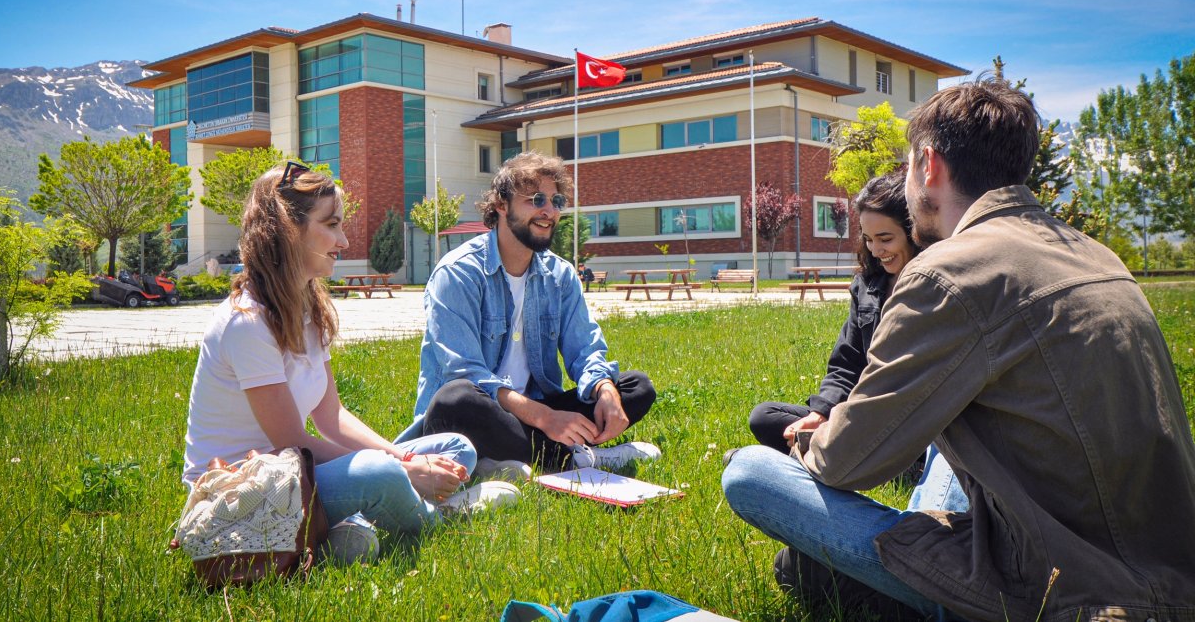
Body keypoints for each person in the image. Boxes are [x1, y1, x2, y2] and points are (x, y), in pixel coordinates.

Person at [722, 79, 1195, 621]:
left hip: (1056, 587)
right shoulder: (1097, 255)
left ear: (929, 166)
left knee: (748, 471)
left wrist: (816, 441)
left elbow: (850, 462)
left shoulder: (950, 272)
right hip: (1170, 571)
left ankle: (939, 604)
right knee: (939, 451)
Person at [183, 162, 516, 562]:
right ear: (287, 230)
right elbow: (291, 445)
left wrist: (405, 458)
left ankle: (344, 531)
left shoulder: (306, 308)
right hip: (242, 494)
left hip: (295, 476)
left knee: (453, 446)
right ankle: (442, 514)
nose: (343, 240)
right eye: (331, 224)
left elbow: (332, 416)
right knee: (381, 475)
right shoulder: (247, 323)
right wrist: (400, 471)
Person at [399, 152, 659, 474]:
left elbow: (585, 349)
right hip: (477, 412)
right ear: (501, 205)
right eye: (535, 199)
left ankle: (518, 457)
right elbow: (465, 374)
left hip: (535, 408)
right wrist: (546, 419)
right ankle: (575, 456)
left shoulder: (560, 275)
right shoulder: (458, 273)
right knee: (456, 399)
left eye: (556, 200)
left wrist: (603, 390)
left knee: (636, 387)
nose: (548, 211)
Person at [748, 170, 922, 454]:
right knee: (765, 417)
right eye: (868, 239)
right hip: (859, 413)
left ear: (913, 231)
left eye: (886, 238)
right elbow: (846, 363)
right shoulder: (866, 285)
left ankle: (832, 451)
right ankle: (838, 445)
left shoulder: (935, 286)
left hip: (911, 417)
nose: (876, 250)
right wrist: (821, 413)